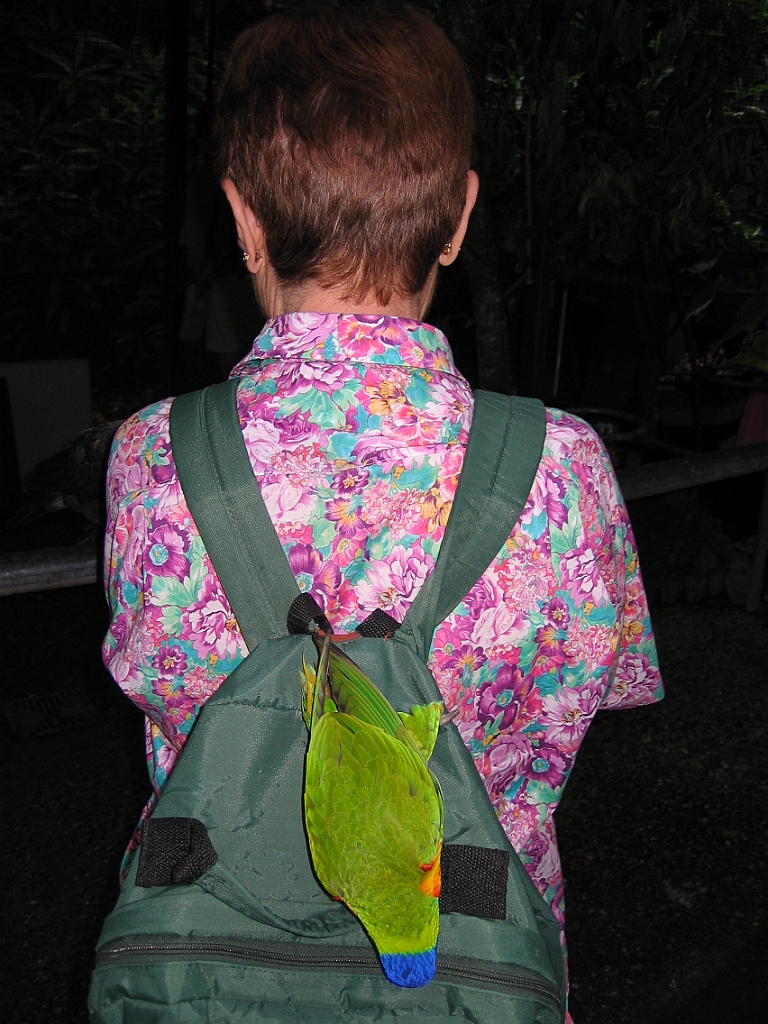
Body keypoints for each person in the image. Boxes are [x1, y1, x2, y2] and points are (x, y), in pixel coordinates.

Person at [102, 3, 663, 1018]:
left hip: (216, 971)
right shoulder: (560, 464)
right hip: (476, 967)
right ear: (459, 216)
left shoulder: (156, 457)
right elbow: (596, 690)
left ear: (241, 217)